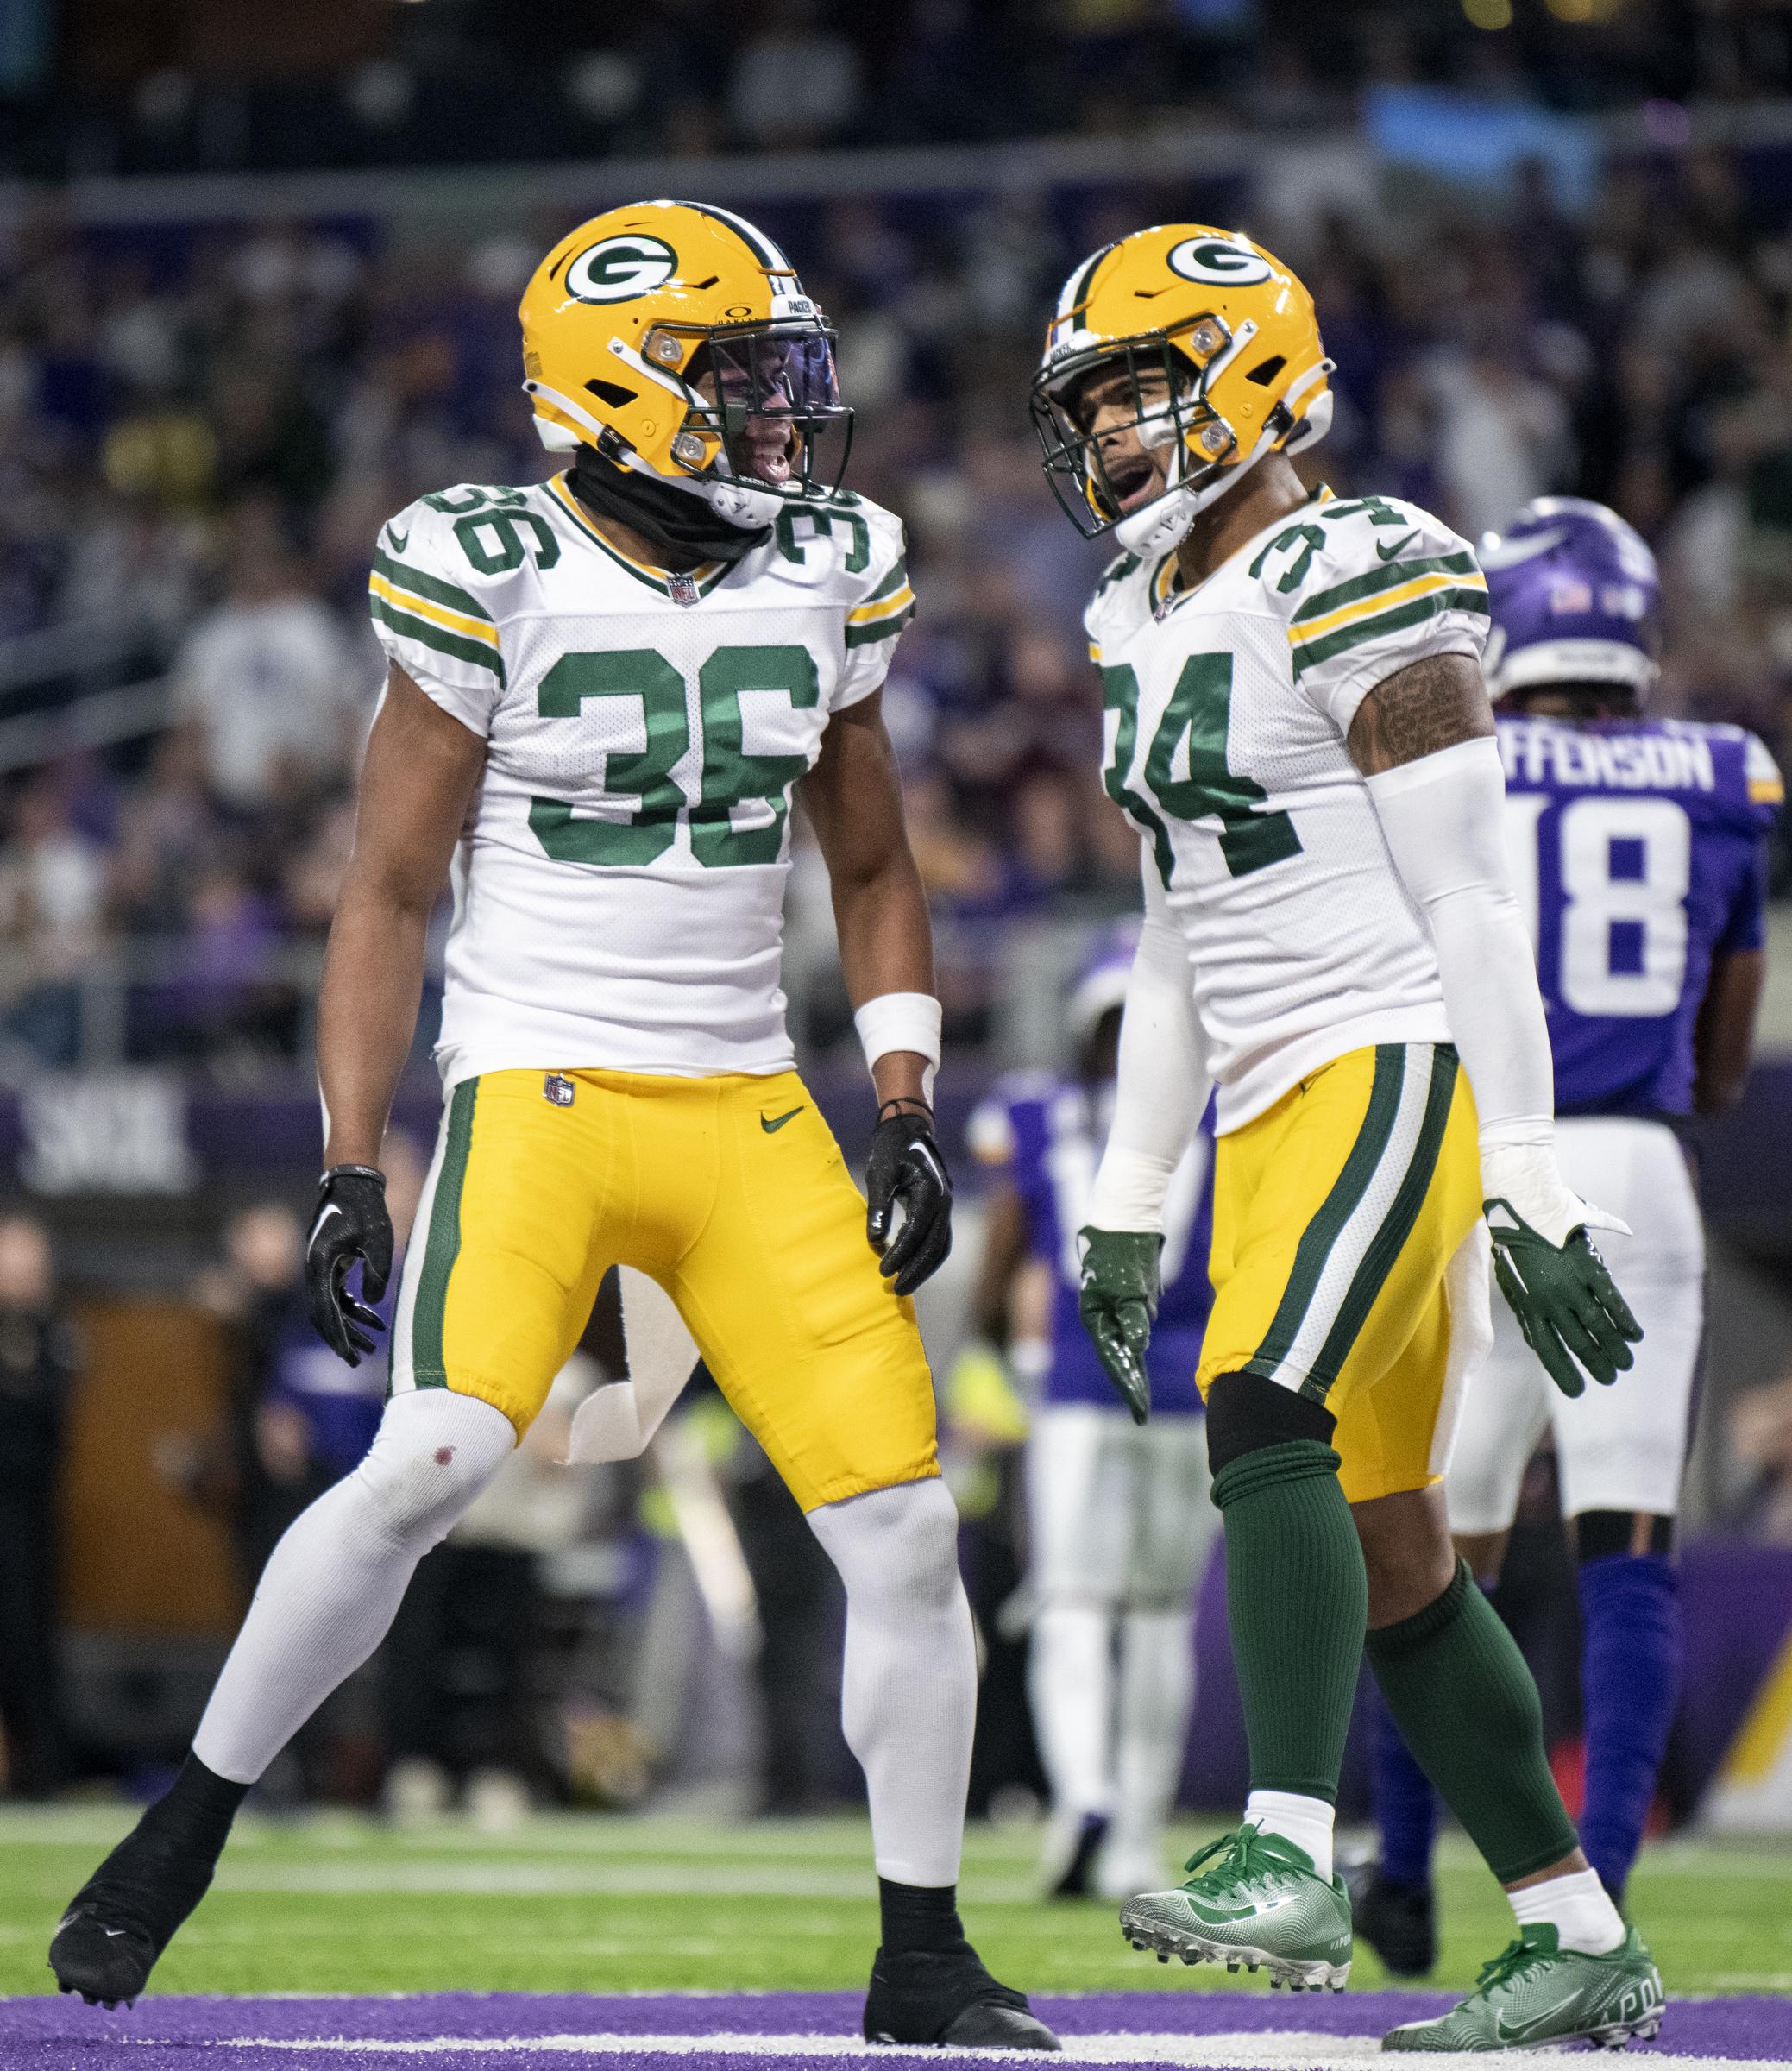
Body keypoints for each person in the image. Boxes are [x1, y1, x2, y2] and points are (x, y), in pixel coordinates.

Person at [49, 200, 1056, 2055]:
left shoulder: (828, 566)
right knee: (426, 1465)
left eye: (780, 378)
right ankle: (181, 1831)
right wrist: (353, 1155)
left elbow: (876, 859)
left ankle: (922, 1953)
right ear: (618, 387)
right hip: (541, 1088)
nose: (781, 418)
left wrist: (903, 1093)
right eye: (737, 378)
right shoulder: (489, 563)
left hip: (751, 1104)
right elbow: (382, 892)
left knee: (906, 1536)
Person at [1032, 224, 1660, 2050]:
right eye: (1094, 409)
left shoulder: (1363, 561)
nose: (1112, 441)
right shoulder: (1132, 614)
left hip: (1393, 1062)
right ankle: (1571, 1935)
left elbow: (1474, 904)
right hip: (1263, 1096)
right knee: (1392, 1544)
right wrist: (1134, 1188)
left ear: (1249, 372)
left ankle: (1285, 1849)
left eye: (1137, 393)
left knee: (1262, 1409)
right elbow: (1173, 928)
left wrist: (1531, 1174)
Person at [1349, 498, 1781, 1973]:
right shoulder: (1728, 771)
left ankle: (1399, 1874)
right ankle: (1594, 1905)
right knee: (1627, 1548)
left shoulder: (1438, 749)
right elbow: (1722, 1060)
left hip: (1482, 1165)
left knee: (1428, 1544)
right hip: (1637, 1171)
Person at [966, 925, 1217, 1902]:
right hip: (1190, 1387)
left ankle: (1083, 1798)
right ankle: (1135, 1840)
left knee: (1073, 1605)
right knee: (1157, 1616)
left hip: (1077, 1381)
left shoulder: (1037, 1113)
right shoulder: (1225, 1113)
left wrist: (1000, 1340)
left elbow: (1004, 1265)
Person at [0, 1213, 79, 1797]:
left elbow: (45, 1419)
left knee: (29, 1641)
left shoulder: (56, 1335)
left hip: (27, 1514)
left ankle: (41, 1774)